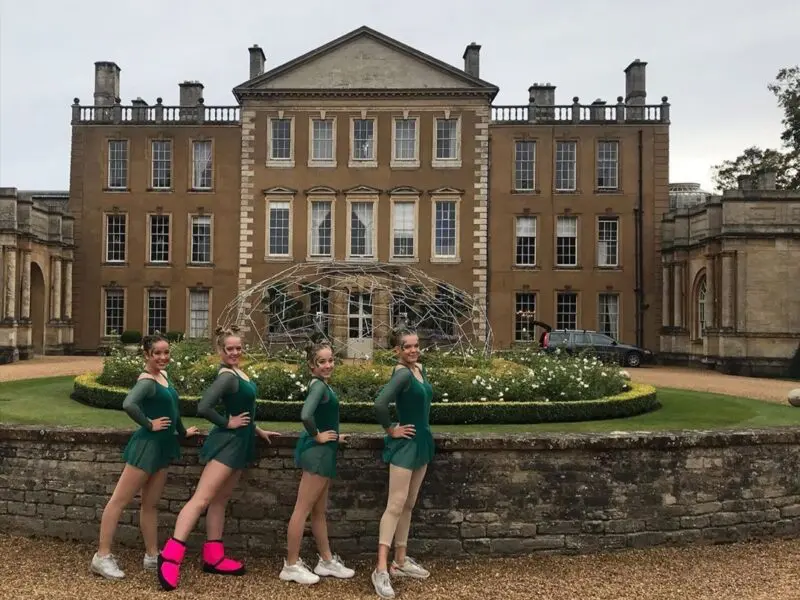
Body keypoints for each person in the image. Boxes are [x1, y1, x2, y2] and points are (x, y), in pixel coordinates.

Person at [156, 326, 280, 591]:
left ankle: (213, 556)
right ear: (221, 350)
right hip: (228, 443)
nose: (235, 352)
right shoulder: (226, 377)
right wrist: (228, 422)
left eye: (238, 348)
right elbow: (203, 407)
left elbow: (246, 408)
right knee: (201, 499)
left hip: (241, 441)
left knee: (220, 500)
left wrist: (256, 429)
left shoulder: (237, 372)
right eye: (229, 349)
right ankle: (169, 556)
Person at [90, 334, 199, 580]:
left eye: (166, 352)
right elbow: (129, 404)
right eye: (157, 353)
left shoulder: (163, 377)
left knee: (150, 505)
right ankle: (102, 556)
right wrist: (149, 424)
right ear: (147, 355)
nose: (163, 357)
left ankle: (152, 555)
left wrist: (182, 432)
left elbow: (173, 409)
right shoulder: (147, 381)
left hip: (162, 446)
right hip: (146, 446)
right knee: (118, 501)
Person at [280, 340, 355, 585]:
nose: (328, 365)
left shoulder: (321, 385)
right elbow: (305, 415)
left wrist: (334, 434)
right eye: (322, 361)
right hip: (318, 452)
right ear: (311, 365)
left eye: (331, 360)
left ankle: (325, 560)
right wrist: (318, 435)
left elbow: (322, 417)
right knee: (302, 509)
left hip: (324, 450)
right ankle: (291, 565)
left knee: (318, 511)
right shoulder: (319, 388)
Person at [371, 328, 435, 599]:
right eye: (406, 347)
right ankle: (381, 569)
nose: (412, 350)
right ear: (397, 350)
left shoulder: (418, 369)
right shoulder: (401, 373)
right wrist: (391, 430)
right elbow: (380, 404)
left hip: (421, 441)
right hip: (405, 444)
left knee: (408, 504)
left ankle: (400, 560)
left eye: (415, 345)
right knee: (395, 505)